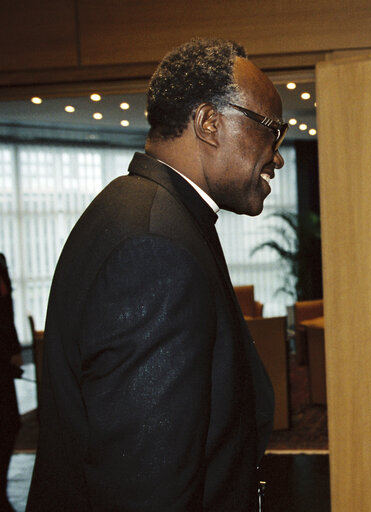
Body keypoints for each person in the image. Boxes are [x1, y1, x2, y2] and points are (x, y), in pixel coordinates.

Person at [27, 38, 283, 511]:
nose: (279, 155)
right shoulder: (155, 247)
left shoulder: (147, 212)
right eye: (272, 129)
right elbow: (146, 487)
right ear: (209, 123)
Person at [0, 254, 22, 512]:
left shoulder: (1, 260)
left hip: (4, 357)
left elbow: (7, 310)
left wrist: (14, 348)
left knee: (10, 423)